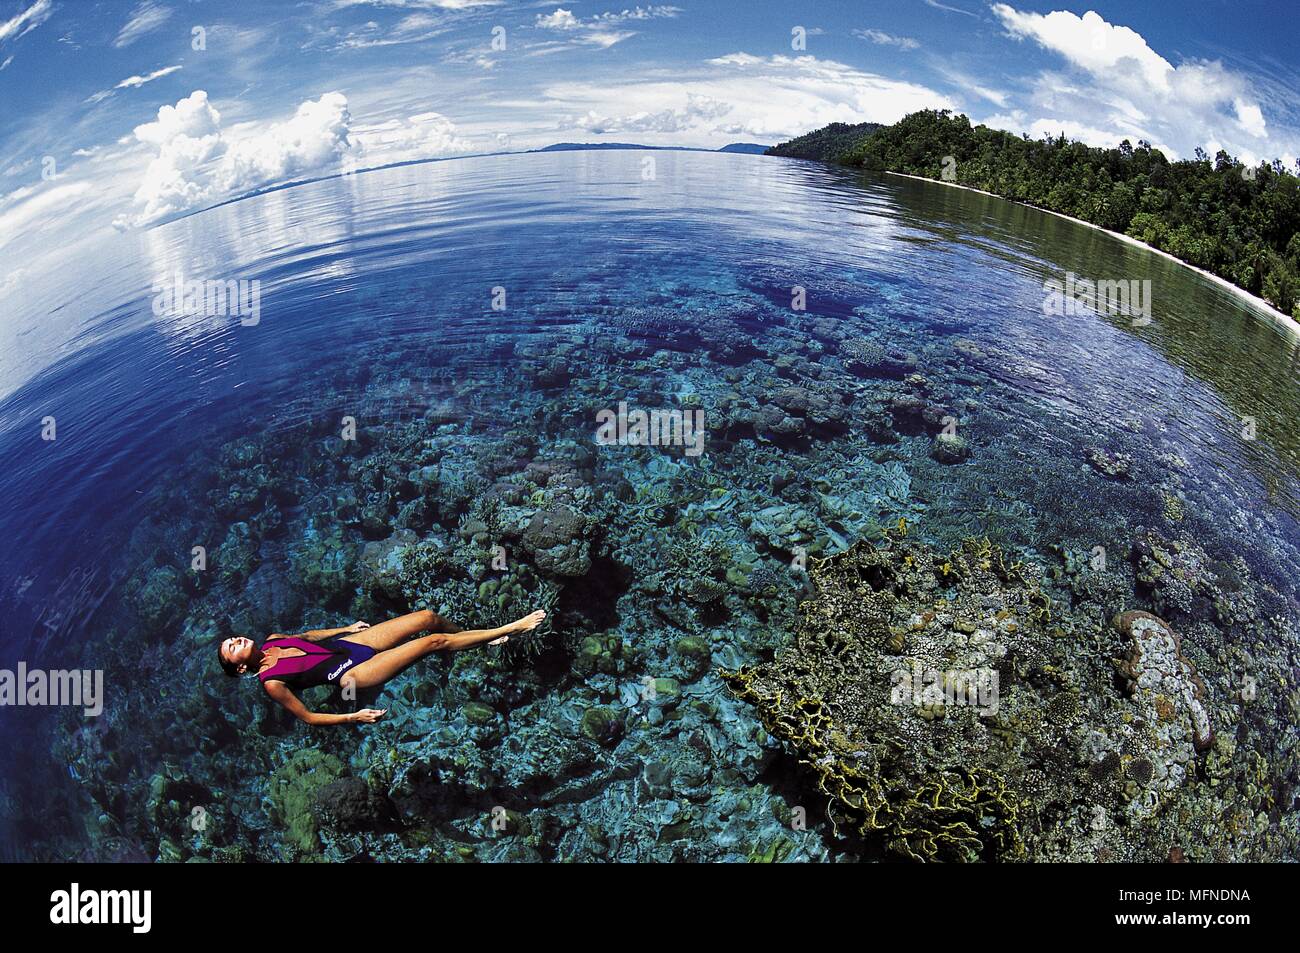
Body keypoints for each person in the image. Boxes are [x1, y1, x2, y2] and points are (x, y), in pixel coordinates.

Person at [217, 608, 546, 726]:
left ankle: (481, 639)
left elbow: (307, 635)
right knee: (431, 643)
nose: (236, 640)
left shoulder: (274, 639)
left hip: (348, 645)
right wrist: (353, 716)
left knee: (428, 618)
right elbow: (309, 717)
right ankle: (508, 629)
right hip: (351, 673)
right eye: (232, 648)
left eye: (232, 639)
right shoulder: (272, 683)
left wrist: (346, 629)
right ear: (241, 669)